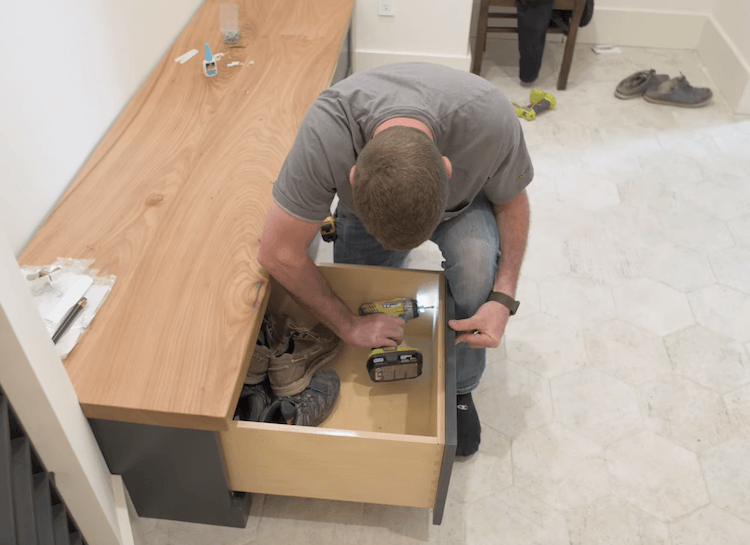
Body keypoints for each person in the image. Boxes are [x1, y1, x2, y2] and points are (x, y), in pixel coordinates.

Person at [258, 62, 532, 456]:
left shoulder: (490, 120)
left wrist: (503, 297)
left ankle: (461, 388)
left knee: (476, 271)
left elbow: (512, 201)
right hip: (371, 207)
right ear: (352, 177)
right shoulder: (326, 131)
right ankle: (363, 317)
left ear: (448, 168)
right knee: (361, 289)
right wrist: (349, 324)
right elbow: (276, 252)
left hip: (462, 207)